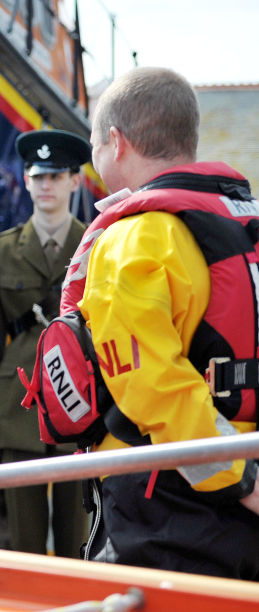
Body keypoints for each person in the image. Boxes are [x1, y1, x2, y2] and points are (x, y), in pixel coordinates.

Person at [68, 67, 259, 578]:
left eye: (93, 145)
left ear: (116, 142)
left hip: (166, 503)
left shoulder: (135, 237)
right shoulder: (246, 223)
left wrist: (243, 478)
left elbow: (153, 386)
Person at [0, 129, 90, 557]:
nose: (46, 185)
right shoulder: (0, 252)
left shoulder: (96, 243)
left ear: (74, 181)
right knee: (23, 541)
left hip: (80, 402)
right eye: (38, 175)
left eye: (57, 175)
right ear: (25, 180)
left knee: (76, 537)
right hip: (17, 406)